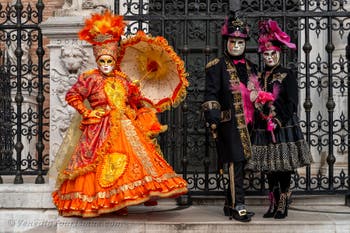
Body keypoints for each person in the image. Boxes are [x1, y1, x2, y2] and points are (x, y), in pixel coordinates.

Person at [51, 11, 188, 217]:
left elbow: (133, 102)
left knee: (133, 160)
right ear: (98, 60)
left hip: (125, 125)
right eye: (103, 61)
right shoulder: (90, 78)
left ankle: (121, 200)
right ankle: (102, 202)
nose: (106, 65)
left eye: (110, 61)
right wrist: (87, 112)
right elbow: (72, 96)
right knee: (100, 164)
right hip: (99, 128)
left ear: (114, 60)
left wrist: (134, 93)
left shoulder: (124, 79)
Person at [246, 19, 313, 219]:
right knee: (269, 167)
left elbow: (292, 102)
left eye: (272, 54)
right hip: (263, 126)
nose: (269, 57)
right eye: (265, 54)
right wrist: (256, 104)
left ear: (279, 53)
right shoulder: (259, 76)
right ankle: (273, 202)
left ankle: (283, 203)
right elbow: (255, 98)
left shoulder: (287, 74)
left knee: (283, 166)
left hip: (282, 126)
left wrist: (278, 119)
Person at [202, 12, 257, 222]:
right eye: (232, 42)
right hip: (229, 122)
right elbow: (210, 93)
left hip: (249, 123)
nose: (236, 46)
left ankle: (228, 202)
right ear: (226, 42)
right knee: (235, 161)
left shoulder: (251, 67)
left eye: (240, 42)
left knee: (241, 163)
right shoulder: (216, 66)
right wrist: (213, 116)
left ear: (244, 44)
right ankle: (238, 206)